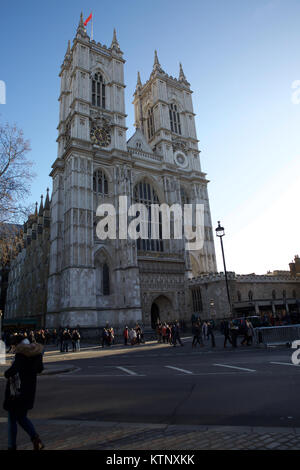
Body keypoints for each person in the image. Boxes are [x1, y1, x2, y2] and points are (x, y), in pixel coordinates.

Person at [3, 334, 44, 450]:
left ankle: (12, 446)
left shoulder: (21, 354)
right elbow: (40, 368)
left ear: (18, 344)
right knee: (21, 418)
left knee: (12, 420)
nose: (13, 348)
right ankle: (36, 440)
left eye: (13, 345)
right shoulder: (36, 353)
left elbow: (13, 370)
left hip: (16, 392)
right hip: (29, 391)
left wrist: (6, 373)